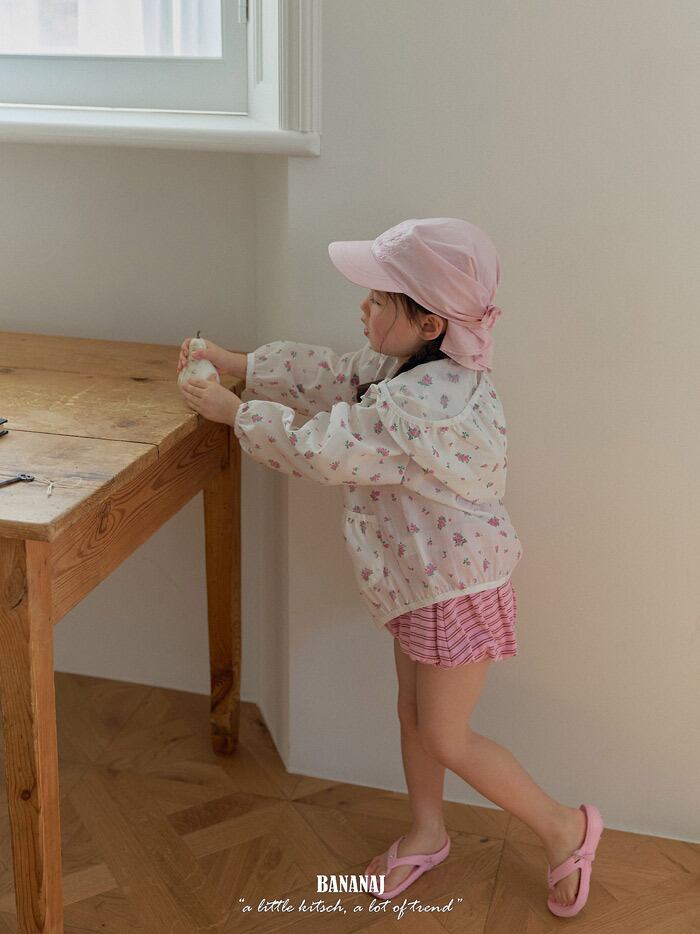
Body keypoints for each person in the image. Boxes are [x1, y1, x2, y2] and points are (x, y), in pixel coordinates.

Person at [177, 217, 604, 918]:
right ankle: (428, 832)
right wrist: (241, 364)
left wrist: (236, 413)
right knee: (413, 713)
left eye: (379, 301)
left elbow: (325, 448)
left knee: (446, 734)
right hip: (420, 584)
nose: (363, 308)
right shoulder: (400, 369)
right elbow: (334, 375)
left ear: (431, 323)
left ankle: (565, 827)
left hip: (457, 591)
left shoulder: (424, 405)